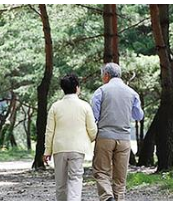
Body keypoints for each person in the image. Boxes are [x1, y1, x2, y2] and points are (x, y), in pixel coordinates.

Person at [91, 62, 144, 201]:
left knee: (101, 171)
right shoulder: (132, 93)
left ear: (107, 75)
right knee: (120, 176)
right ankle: (119, 198)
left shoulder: (101, 91)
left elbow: (94, 116)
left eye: (103, 75)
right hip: (124, 139)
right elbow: (138, 116)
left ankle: (107, 197)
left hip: (105, 137)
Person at [43, 73, 97, 201]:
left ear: (63, 89)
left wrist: (47, 151)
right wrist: (90, 139)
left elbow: (49, 131)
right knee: (75, 180)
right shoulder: (85, 106)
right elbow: (92, 130)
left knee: (60, 183)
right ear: (77, 88)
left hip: (59, 148)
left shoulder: (55, 107)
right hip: (78, 148)